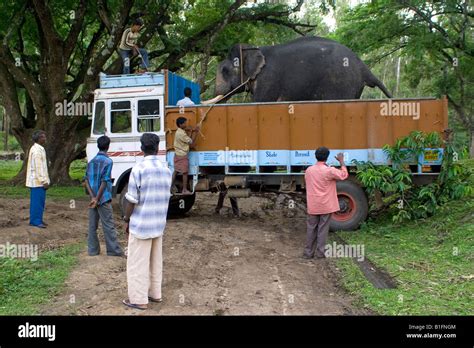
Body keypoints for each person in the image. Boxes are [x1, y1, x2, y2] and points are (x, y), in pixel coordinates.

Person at [122, 133, 172, 310]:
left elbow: (132, 200)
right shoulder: (166, 169)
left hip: (141, 224)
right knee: (155, 260)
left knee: (137, 263)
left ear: (141, 148)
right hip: (158, 224)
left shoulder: (139, 169)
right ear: (157, 148)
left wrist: (126, 219)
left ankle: (138, 299)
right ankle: (155, 294)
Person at [303, 147, 348, 259]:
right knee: (322, 229)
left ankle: (308, 253)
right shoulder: (329, 170)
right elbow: (344, 175)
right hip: (326, 205)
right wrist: (341, 161)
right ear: (327, 157)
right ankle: (320, 253)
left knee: (311, 228)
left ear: (315, 156)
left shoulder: (309, 170)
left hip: (313, 205)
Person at [83, 136, 123, 257]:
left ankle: (93, 250)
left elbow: (86, 180)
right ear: (108, 146)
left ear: (98, 146)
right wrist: (98, 198)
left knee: (92, 226)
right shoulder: (108, 161)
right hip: (103, 197)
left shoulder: (91, 161)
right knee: (108, 225)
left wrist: (92, 197)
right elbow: (105, 181)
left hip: (92, 198)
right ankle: (113, 251)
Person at [26, 130, 50, 229]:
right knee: (37, 202)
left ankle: (36, 219)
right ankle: (36, 221)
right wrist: (44, 181)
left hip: (37, 181)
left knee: (39, 202)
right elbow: (38, 167)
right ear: (39, 138)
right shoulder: (36, 150)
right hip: (37, 182)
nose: (45, 138)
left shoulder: (39, 148)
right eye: (43, 137)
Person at [171, 117, 199, 195]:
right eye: (185, 123)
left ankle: (170, 186)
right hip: (182, 155)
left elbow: (187, 139)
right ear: (180, 124)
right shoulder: (181, 134)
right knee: (185, 173)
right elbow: (191, 142)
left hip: (177, 154)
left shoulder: (180, 132)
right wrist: (196, 132)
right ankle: (184, 190)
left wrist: (191, 132)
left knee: (176, 171)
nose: (186, 124)